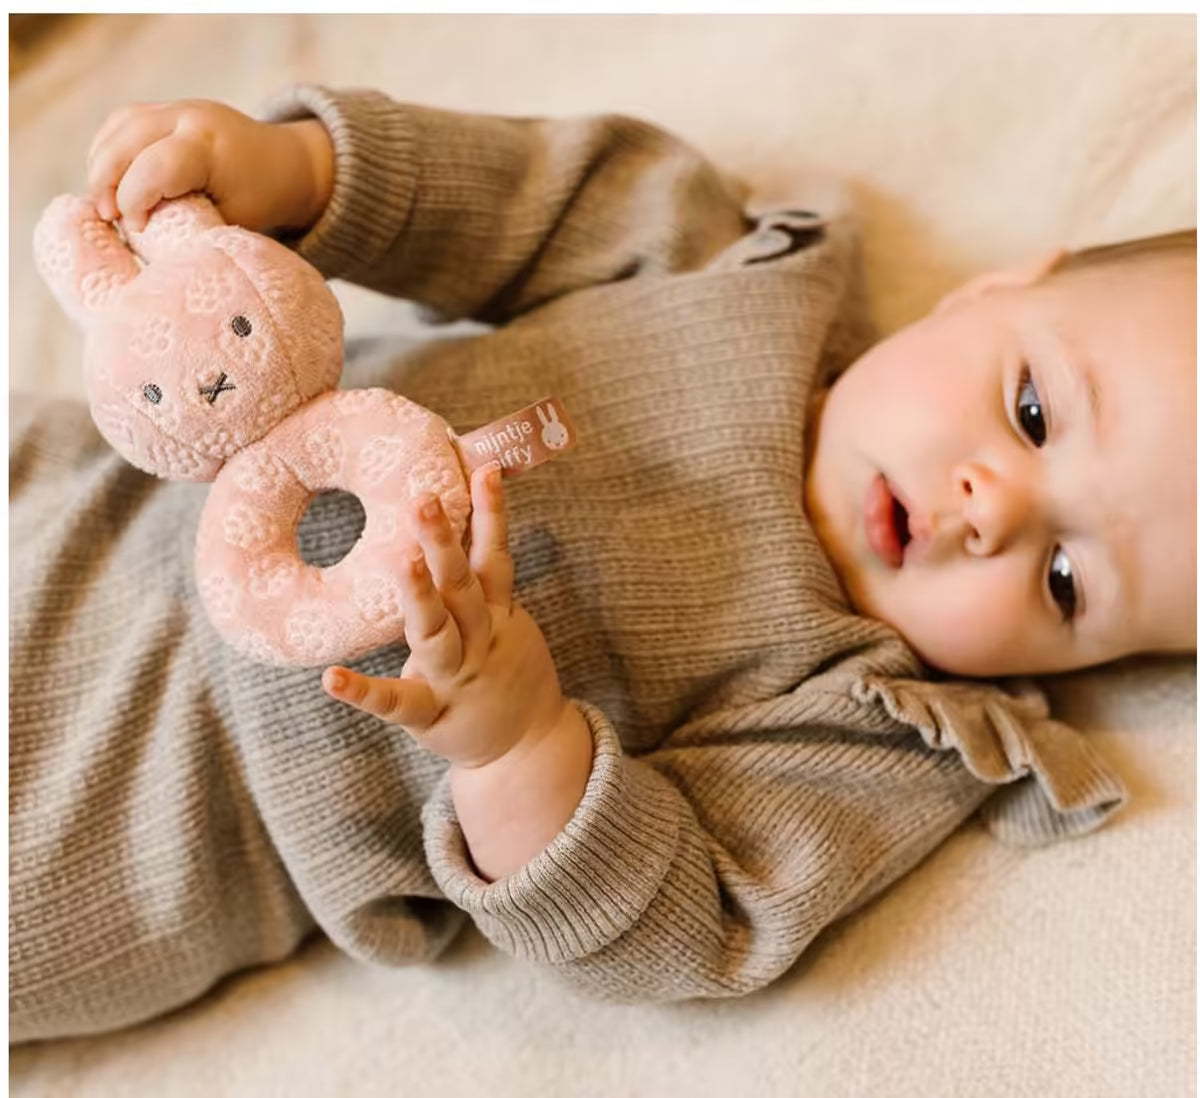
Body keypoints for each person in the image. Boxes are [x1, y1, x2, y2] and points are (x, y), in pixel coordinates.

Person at [10, 85, 1195, 1042]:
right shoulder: (732, 268)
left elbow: (691, 919)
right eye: (1034, 410)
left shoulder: (879, 724)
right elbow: (514, 198)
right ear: (988, 296)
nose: (993, 513)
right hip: (94, 497)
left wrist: (518, 742)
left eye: (1064, 584)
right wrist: (288, 170)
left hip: (147, 825)